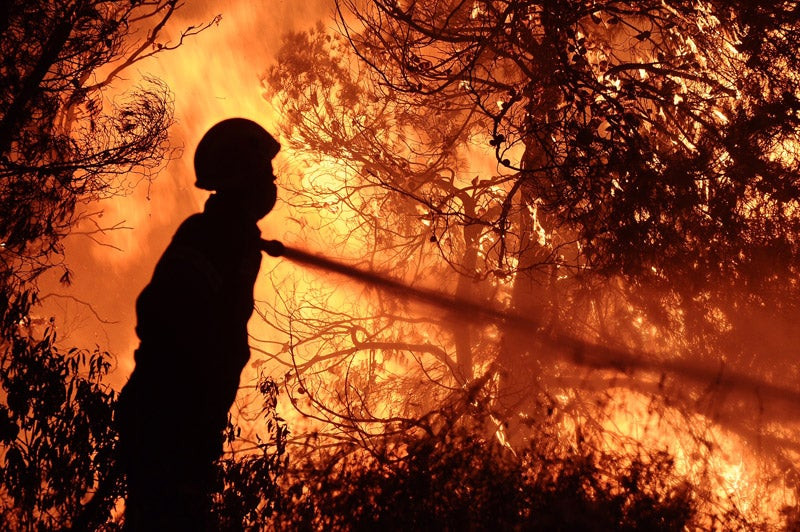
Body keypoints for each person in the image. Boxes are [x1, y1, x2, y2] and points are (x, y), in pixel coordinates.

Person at [115, 118, 280, 530]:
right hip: (167, 425)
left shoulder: (240, 243)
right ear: (242, 176)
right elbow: (162, 312)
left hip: (188, 429)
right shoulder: (209, 236)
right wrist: (189, 399)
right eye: (265, 171)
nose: (273, 182)